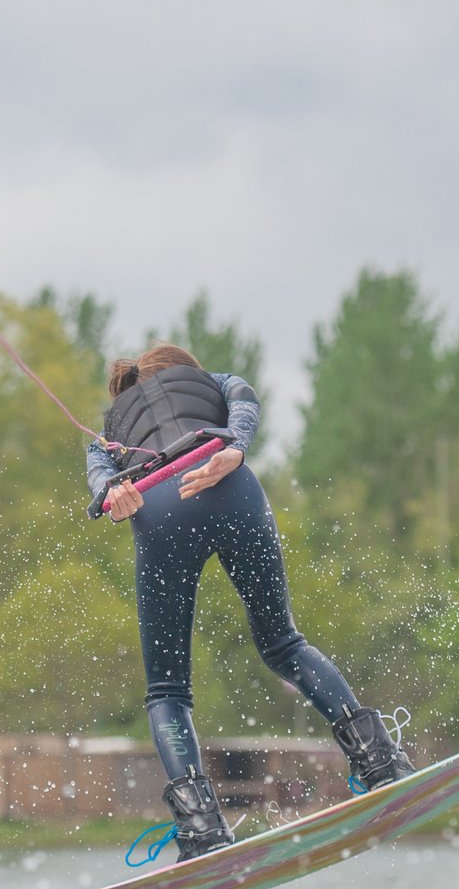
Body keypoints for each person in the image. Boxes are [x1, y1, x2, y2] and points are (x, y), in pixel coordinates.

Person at [86, 342, 414, 861]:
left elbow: (101, 481)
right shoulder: (218, 382)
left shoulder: (108, 434)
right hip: (230, 485)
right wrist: (233, 448)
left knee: (167, 690)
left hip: (161, 509)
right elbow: (245, 403)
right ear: (185, 373)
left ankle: (203, 828)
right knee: (283, 643)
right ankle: (380, 761)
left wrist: (113, 497)